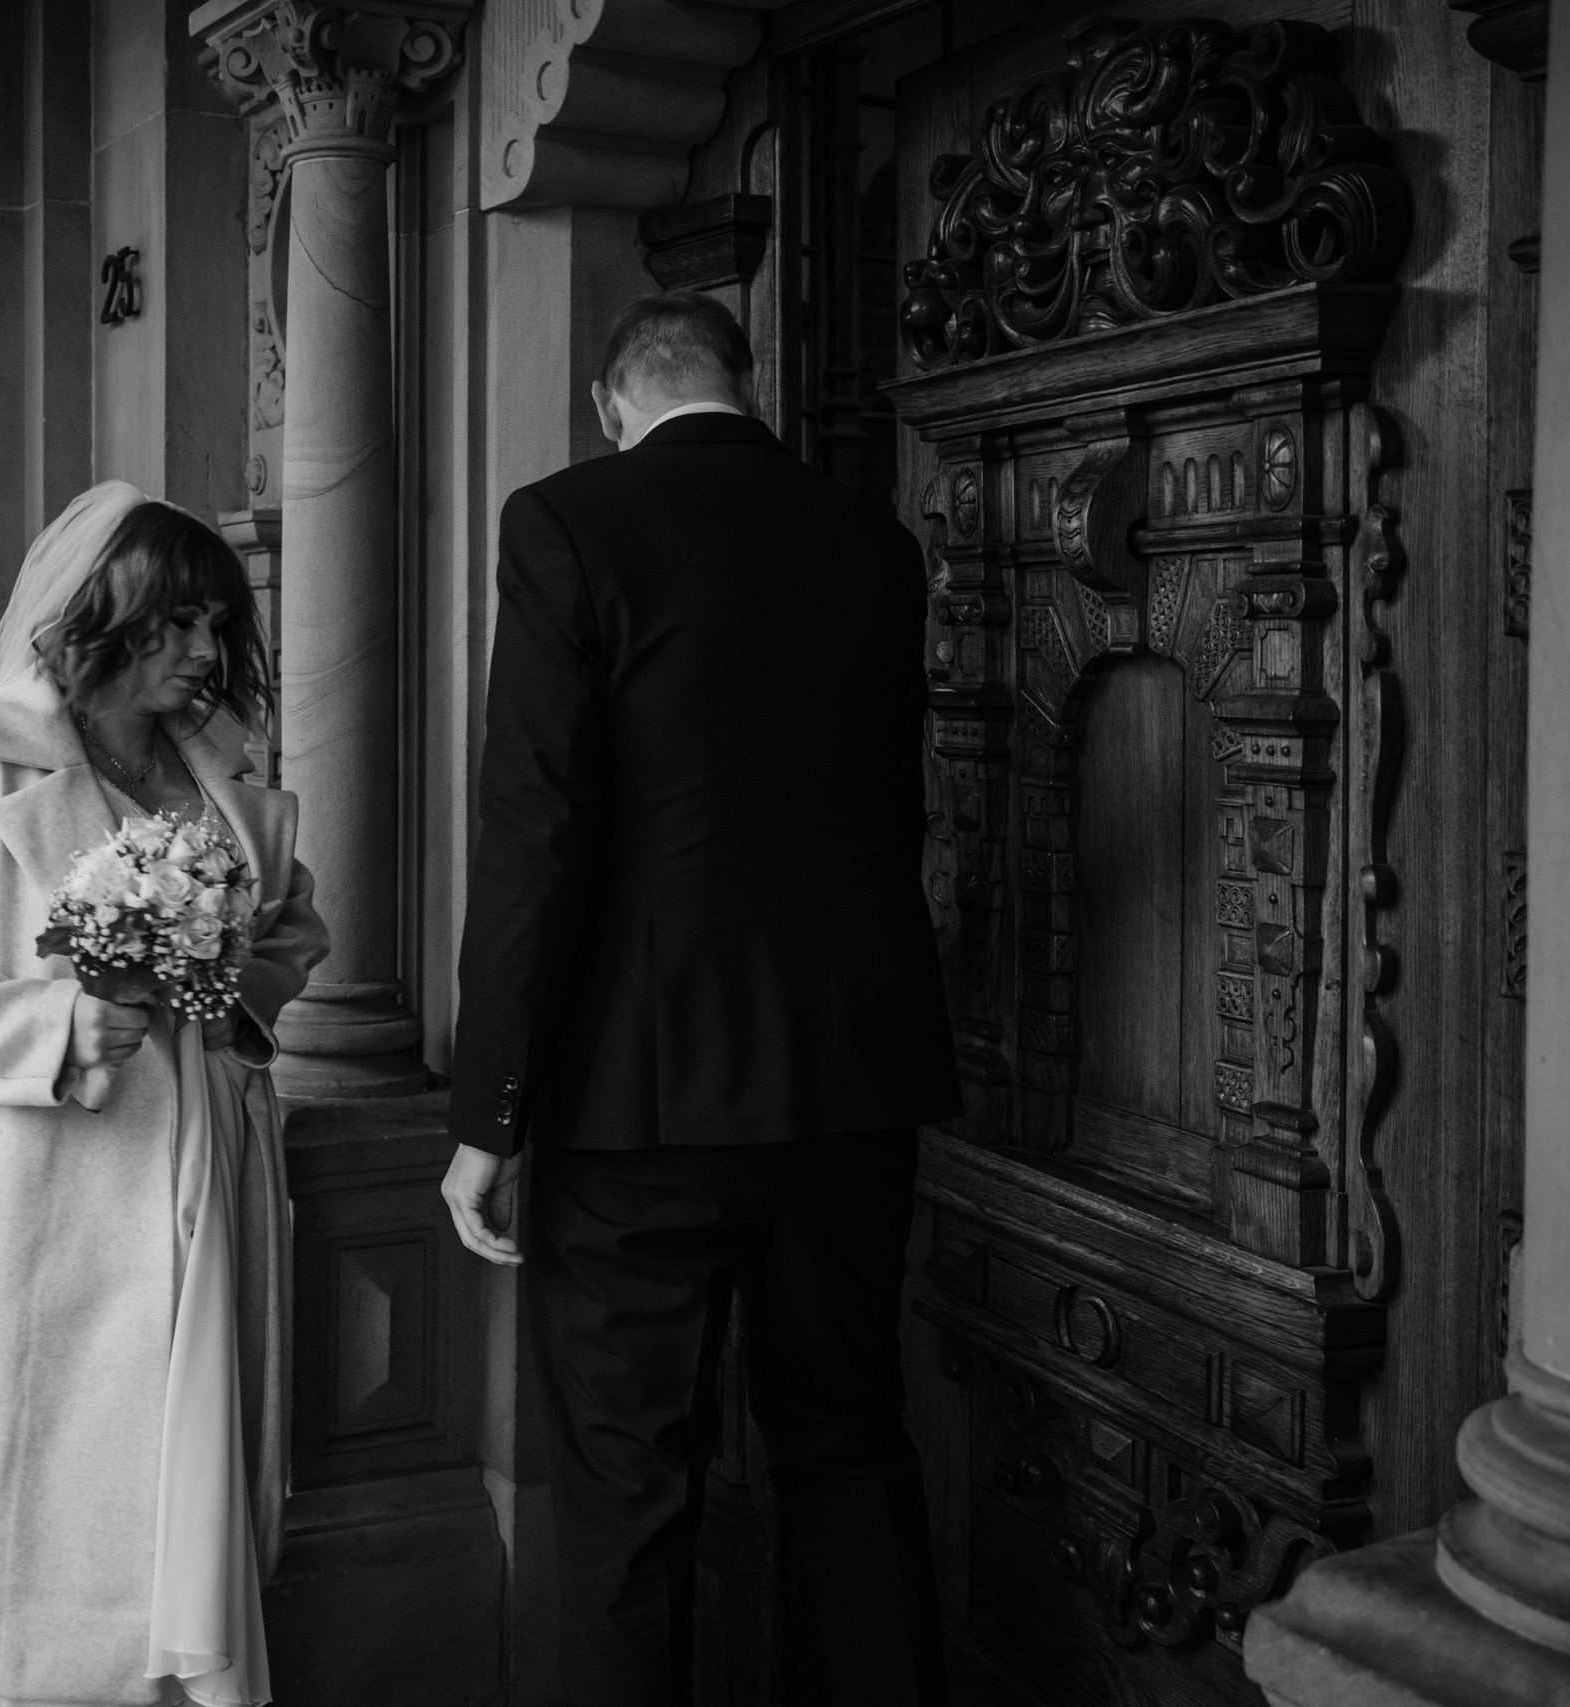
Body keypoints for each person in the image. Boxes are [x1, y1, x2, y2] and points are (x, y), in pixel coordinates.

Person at [441, 291, 961, 1705]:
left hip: (640, 1099)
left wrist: (489, 1108)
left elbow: (533, 827)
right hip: (851, 1082)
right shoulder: (873, 545)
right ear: (747, 382)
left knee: (626, 1493)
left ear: (613, 401)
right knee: (850, 1451)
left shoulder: (566, 523)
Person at [0, 483, 329, 1707]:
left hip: (201, 1185)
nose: (208, 653)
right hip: (40, 1205)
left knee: (181, 1491)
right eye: (176, 623)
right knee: (27, 1511)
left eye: (218, 625)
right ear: (103, 620)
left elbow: (296, 929)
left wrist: (224, 986)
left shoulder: (220, 783)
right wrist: (58, 1025)